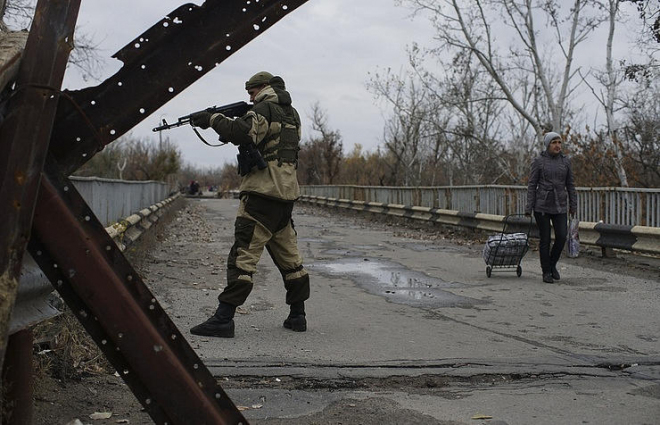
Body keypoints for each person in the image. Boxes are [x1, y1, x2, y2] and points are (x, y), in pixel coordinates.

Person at [187, 71, 310, 338]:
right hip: (285, 198)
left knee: (242, 259)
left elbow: (242, 132)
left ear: (263, 88)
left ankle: (223, 318)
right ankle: (297, 315)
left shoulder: (263, 109)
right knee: (291, 260)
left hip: (260, 198)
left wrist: (212, 118)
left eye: (252, 92)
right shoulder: (293, 114)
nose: (250, 98)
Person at [525, 131, 577, 284]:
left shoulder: (565, 162)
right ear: (548, 145)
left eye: (559, 142)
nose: (557, 145)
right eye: (554, 142)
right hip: (542, 205)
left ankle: (552, 264)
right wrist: (529, 207)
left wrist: (573, 205)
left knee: (561, 236)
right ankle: (546, 271)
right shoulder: (539, 161)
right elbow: (532, 185)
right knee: (545, 239)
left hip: (560, 204)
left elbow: (571, 185)